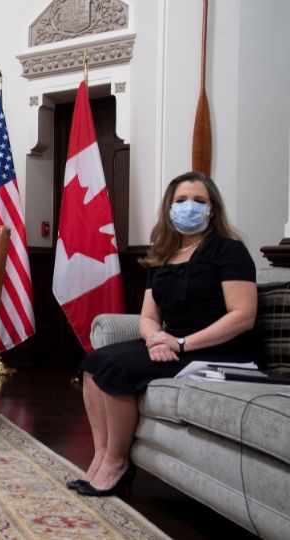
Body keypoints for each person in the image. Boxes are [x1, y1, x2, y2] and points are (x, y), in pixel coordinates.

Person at [72, 171, 258, 497]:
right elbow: (148, 316)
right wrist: (156, 339)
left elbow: (243, 317)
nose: (190, 207)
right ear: (169, 208)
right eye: (181, 201)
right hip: (172, 343)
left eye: (199, 201)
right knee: (94, 362)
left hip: (219, 349)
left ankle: (118, 463)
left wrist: (181, 343)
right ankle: (101, 455)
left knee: (116, 368)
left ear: (213, 209)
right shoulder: (163, 254)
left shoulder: (229, 250)